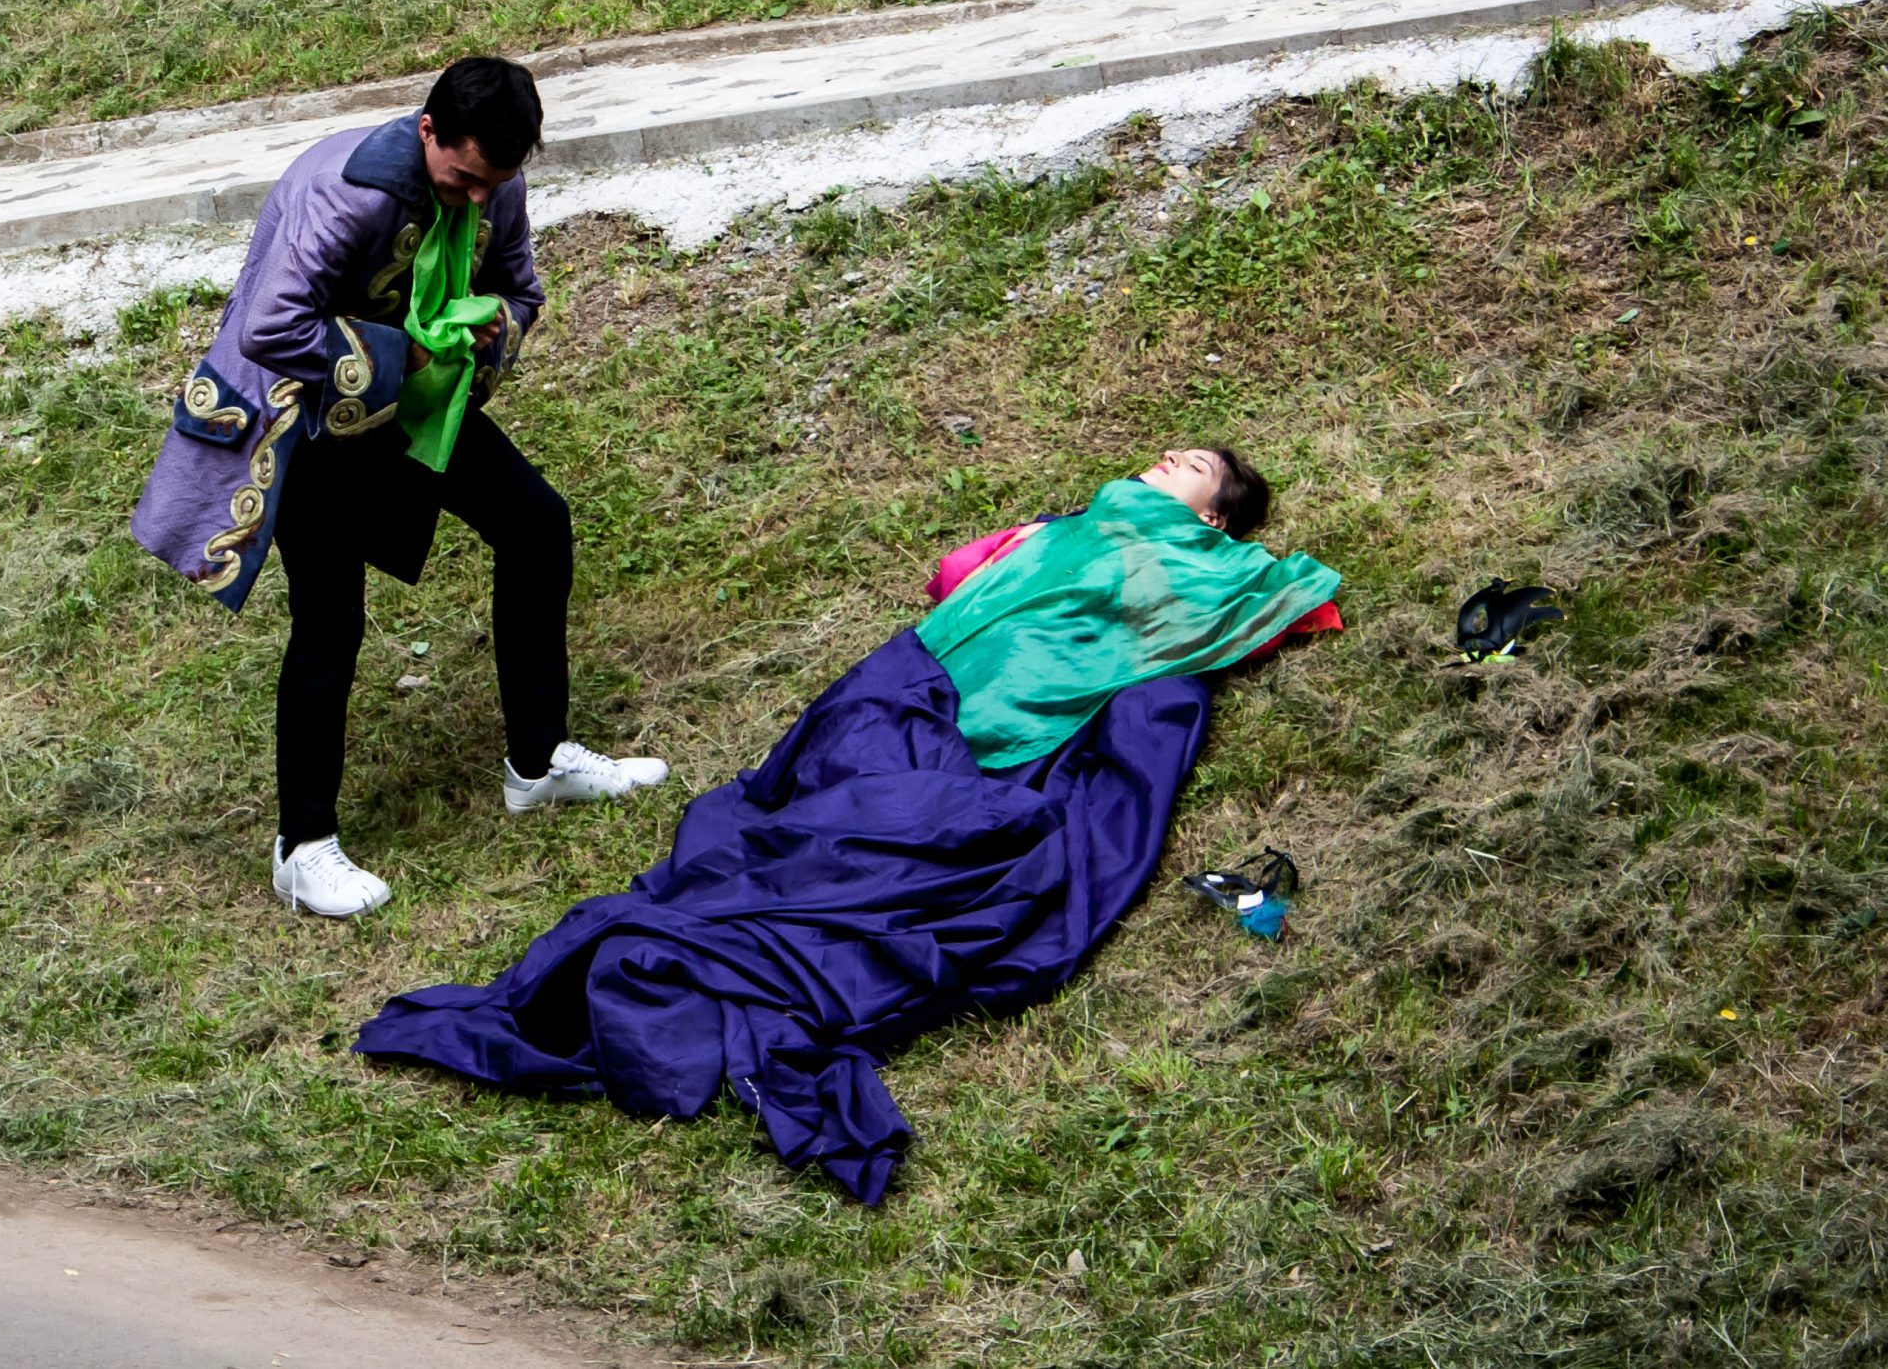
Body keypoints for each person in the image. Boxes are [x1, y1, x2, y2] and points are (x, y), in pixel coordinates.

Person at [354, 446, 1340, 1200]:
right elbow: (956, 580)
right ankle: (747, 922)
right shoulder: (1064, 525)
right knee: (835, 790)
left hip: (993, 730)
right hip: (914, 689)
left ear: (1212, 514)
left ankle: (740, 937)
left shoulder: (1197, 559)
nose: (1164, 458)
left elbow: (1286, 599)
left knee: (916, 834)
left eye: (1190, 465)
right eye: (1168, 451)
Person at [131, 56, 667, 919]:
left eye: (493, 184)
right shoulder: (345, 194)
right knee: (330, 618)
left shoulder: (493, 184)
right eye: (462, 181)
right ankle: (303, 848)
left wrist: (492, 325)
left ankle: (537, 764)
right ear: (427, 131)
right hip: (309, 417)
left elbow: (520, 288)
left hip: (414, 408)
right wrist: (400, 351)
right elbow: (271, 325)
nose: (476, 200)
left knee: (536, 523)